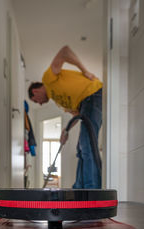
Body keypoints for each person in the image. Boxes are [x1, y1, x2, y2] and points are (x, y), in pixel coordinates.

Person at [28, 45, 102, 189]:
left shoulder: (48, 79)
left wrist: (85, 71)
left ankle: (92, 189)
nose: (40, 104)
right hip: (85, 105)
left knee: (87, 145)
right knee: (81, 148)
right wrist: (66, 131)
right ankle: (79, 188)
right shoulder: (59, 102)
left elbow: (65, 51)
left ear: (35, 91)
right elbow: (78, 115)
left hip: (93, 95)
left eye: (36, 101)